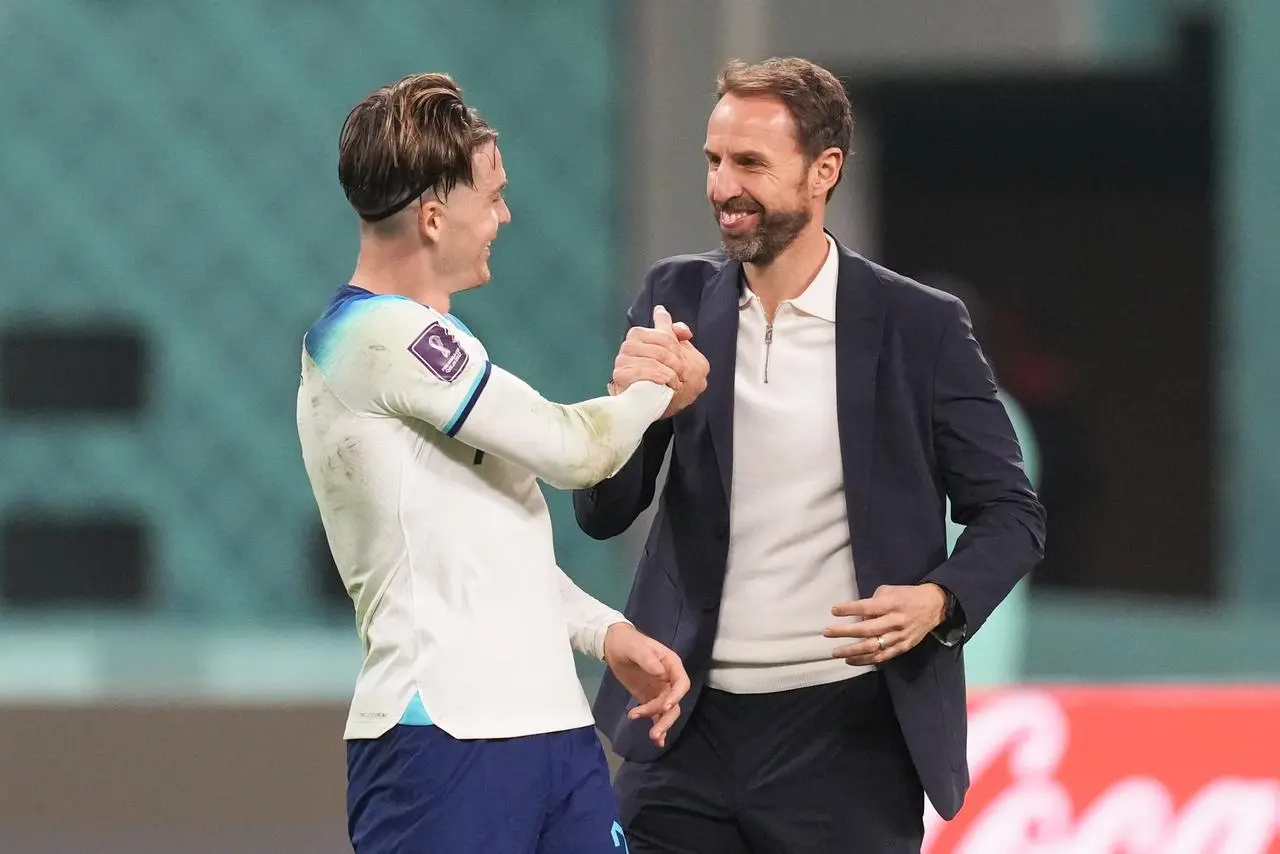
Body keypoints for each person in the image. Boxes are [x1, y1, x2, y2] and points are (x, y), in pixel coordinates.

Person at [573, 58, 1047, 852]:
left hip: (847, 740)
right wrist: (628, 411)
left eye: (750, 163)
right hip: (683, 727)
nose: (723, 187)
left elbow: (1011, 516)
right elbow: (603, 512)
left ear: (823, 170)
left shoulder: (919, 327)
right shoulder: (673, 296)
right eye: (713, 161)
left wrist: (938, 601)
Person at [296, 72, 696, 854]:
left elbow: (491, 548)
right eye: (493, 197)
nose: (504, 217)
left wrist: (605, 632)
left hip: (553, 733)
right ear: (433, 217)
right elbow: (574, 450)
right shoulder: (378, 339)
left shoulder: (432, 347)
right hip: (442, 743)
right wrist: (661, 384)